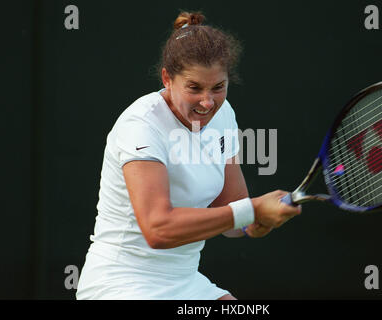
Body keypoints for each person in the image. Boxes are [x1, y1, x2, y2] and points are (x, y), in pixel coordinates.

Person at [76, 11, 301, 300]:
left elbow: (234, 211)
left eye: (218, 87)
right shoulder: (141, 126)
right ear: (167, 78)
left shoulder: (224, 116)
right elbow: (158, 229)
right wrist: (252, 210)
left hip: (185, 280)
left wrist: (257, 224)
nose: (208, 102)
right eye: (194, 88)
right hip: (122, 284)